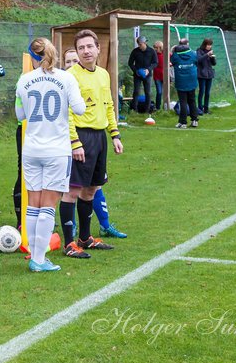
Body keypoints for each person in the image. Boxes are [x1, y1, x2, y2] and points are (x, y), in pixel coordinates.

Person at [15, 38, 86, 271]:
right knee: (47, 205)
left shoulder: (24, 80)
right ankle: (38, 259)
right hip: (57, 150)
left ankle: (36, 257)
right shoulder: (66, 78)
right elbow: (80, 109)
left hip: (32, 149)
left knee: (33, 205)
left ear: (33, 57)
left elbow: (19, 114)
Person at [63, 29, 123, 258]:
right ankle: (69, 244)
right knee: (72, 190)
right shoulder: (70, 76)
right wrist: (74, 142)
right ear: (77, 52)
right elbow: (66, 112)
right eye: (81, 48)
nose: (86, 51)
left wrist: (114, 134)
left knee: (91, 190)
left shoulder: (104, 74)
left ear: (98, 48)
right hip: (81, 136)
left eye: (90, 46)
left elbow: (108, 105)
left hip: (99, 138)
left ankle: (85, 238)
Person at [170, 37, 200, 128]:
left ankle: (183, 122)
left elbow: (172, 62)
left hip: (181, 82)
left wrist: (173, 50)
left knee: (183, 102)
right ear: (187, 45)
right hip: (192, 80)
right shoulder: (193, 54)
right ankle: (194, 120)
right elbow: (196, 62)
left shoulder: (175, 56)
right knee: (192, 101)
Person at [127, 35, 157, 114]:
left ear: (144, 43)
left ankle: (147, 111)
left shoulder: (151, 51)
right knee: (136, 91)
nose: (139, 46)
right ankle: (134, 110)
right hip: (137, 75)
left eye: (140, 44)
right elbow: (130, 63)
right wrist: (136, 71)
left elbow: (155, 63)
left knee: (148, 92)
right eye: (138, 45)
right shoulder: (135, 51)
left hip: (147, 75)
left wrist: (149, 69)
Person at [195, 38, 217, 115]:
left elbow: (214, 64)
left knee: (207, 93)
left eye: (210, 45)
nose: (209, 46)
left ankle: (206, 109)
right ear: (204, 44)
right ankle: (200, 109)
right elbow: (198, 60)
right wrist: (207, 55)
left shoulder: (210, 52)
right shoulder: (199, 51)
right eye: (208, 45)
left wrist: (213, 58)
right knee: (202, 91)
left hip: (209, 74)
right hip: (201, 75)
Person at [152, 40, 166, 110]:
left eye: (156, 47)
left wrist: (171, 64)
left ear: (160, 47)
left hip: (165, 76)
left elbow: (172, 60)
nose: (155, 48)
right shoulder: (154, 55)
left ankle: (166, 107)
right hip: (157, 77)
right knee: (159, 92)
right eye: (154, 47)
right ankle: (158, 108)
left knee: (166, 93)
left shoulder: (166, 54)